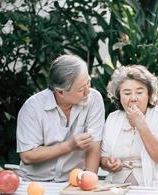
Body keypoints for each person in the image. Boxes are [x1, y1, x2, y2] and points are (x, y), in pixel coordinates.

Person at [16, 54, 105, 182]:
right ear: (60, 92)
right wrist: (69, 146)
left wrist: (90, 184)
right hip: (34, 182)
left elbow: (94, 146)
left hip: (73, 182)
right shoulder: (32, 107)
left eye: (88, 82)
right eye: (81, 89)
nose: (88, 91)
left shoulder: (94, 99)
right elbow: (27, 155)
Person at [100, 65, 158, 187]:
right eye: (127, 93)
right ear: (119, 96)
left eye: (139, 92)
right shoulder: (113, 119)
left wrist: (141, 125)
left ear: (149, 94)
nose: (133, 98)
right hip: (116, 189)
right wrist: (108, 164)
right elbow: (103, 158)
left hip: (156, 188)